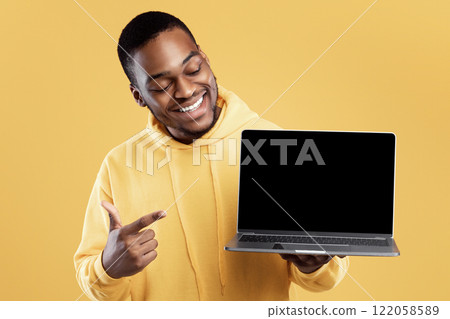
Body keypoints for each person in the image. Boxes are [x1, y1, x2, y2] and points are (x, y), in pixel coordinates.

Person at [74, 11, 349, 301]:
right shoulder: (120, 165)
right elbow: (89, 276)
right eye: (161, 86)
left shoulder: (278, 146)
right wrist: (109, 268)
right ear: (139, 96)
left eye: (193, 69)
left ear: (204, 58)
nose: (186, 90)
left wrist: (317, 263)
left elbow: (325, 278)